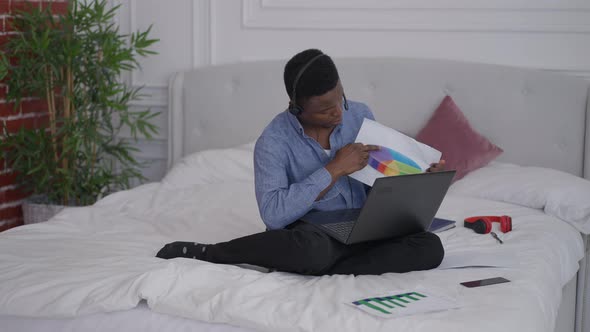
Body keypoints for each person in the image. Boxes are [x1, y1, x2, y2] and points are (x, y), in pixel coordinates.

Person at [156, 49, 445, 276]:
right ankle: (212, 252)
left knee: (430, 248)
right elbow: (273, 214)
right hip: (312, 233)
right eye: (324, 110)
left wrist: (419, 178)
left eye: (339, 100)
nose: (338, 114)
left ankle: (323, 269)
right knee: (311, 251)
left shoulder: (359, 114)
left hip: (364, 225)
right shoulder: (273, 142)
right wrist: (334, 169)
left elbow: (381, 174)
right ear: (297, 108)